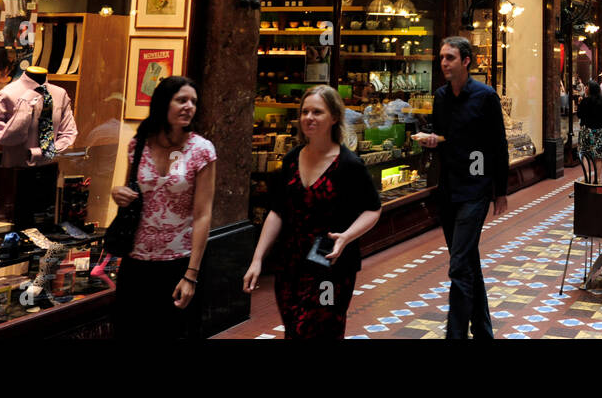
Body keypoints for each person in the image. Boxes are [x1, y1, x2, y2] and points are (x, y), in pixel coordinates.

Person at [243, 85, 381, 338]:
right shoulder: (291, 159)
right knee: (294, 329)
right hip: (290, 264)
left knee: (321, 329)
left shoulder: (349, 165)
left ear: (334, 117)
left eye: (317, 112)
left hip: (330, 264)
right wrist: (257, 259)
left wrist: (346, 237)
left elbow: (373, 210)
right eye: (304, 112)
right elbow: (277, 211)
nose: (309, 117)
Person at [412, 37, 507, 339]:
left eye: (450, 57)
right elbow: (442, 136)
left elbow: (498, 145)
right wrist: (431, 139)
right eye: (441, 57)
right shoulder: (440, 96)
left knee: (458, 267)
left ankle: (455, 335)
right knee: (467, 263)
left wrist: (500, 191)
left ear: (466, 61)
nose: (443, 63)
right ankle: (482, 331)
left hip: (475, 190)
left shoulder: (485, 96)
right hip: (448, 190)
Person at [111, 76, 216, 339]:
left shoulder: (201, 150)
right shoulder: (138, 145)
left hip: (177, 263)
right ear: (163, 104)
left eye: (193, 101)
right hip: (136, 263)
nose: (189, 106)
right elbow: (131, 192)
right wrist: (118, 193)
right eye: (181, 100)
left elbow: (203, 214)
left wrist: (192, 274)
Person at [575, 80, 602, 182]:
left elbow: (579, 115)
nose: (585, 89)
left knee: (584, 152)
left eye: (587, 87)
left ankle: (587, 175)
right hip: (601, 131)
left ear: (590, 89)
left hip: (587, 131)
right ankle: (597, 178)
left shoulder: (585, 101)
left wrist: (579, 104)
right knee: (599, 156)